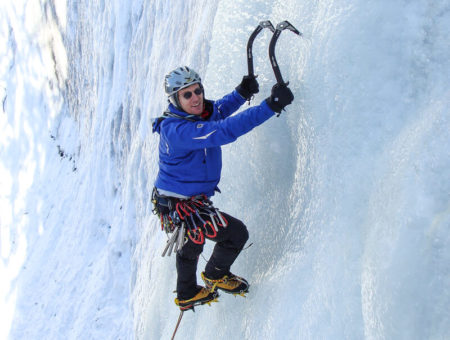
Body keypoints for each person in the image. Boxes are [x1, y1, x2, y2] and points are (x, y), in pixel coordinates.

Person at [152, 66, 294, 311]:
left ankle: (201, 284)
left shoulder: (195, 115)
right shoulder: (177, 131)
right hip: (181, 204)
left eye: (197, 90)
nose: (196, 97)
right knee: (219, 236)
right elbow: (222, 130)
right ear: (176, 99)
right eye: (187, 95)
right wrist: (270, 106)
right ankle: (201, 284)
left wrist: (240, 93)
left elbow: (217, 111)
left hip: (187, 201)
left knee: (210, 239)